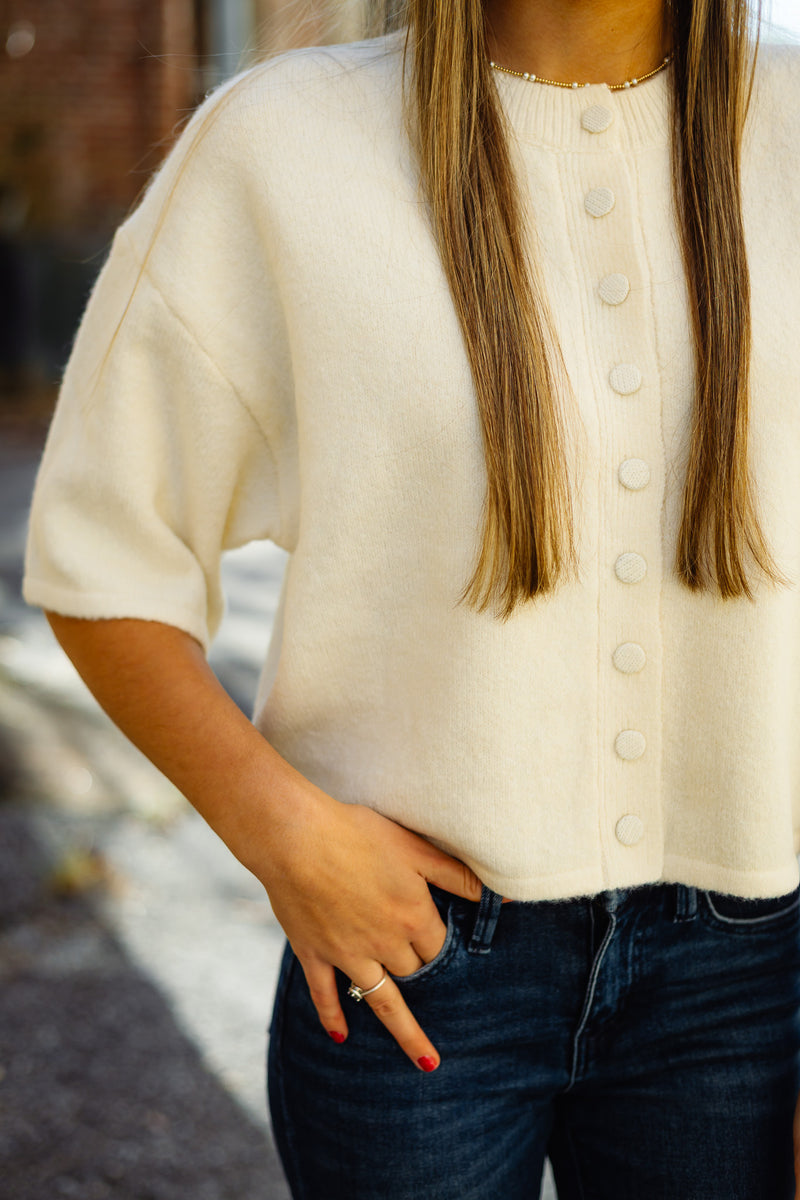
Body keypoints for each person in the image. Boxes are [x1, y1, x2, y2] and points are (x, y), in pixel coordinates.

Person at [22, 0, 800, 1195]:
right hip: (414, 957)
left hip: (758, 973)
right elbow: (100, 557)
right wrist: (281, 833)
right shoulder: (281, 146)